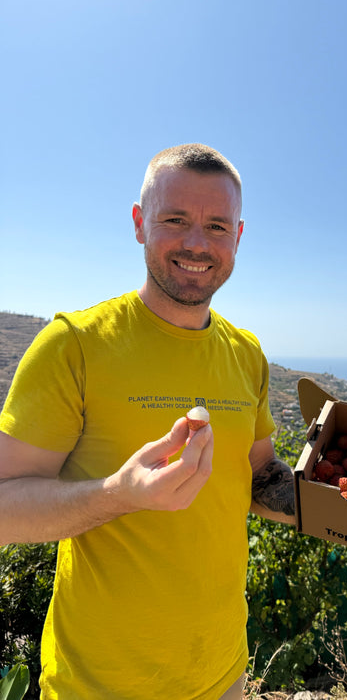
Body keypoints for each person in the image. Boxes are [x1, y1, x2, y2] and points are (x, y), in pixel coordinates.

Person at [0, 144, 295, 699]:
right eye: (175, 220)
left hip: (222, 672)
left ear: (238, 236)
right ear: (139, 224)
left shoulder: (246, 353)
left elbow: (259, 478)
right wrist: (118, 494)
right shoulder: (75, 345)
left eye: (216, 226)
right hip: (99, 684)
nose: (196, 244)